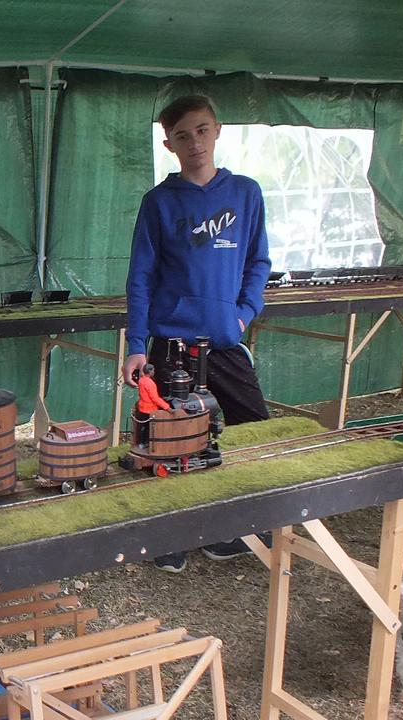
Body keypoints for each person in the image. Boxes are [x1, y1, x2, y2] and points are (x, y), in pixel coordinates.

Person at [123, 95, 272, 574]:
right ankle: (171, 538)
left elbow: (259, 262)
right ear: (169, 144)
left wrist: (243, 314)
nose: (195, 143)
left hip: (225, 342)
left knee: (256, 430)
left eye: (202, 130)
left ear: (218, 130)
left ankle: (239, 530)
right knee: (170, 441)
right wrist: (137, 346)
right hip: (170, 344)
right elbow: (141, 277)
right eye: (183, 136)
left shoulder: (245, 193)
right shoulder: (159, 202)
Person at [134, 363, 170, 447]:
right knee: (149, 428)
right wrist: (167, 407)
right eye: (153, 370)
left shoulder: (141, 380)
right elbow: (155, 398)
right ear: (150, 371)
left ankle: (140, 443)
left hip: (142, 407)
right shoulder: (150, 383)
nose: (154, 372)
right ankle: (146, 443)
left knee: (142, 426)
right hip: (149, 409)